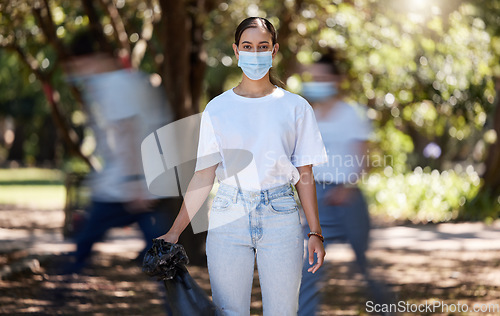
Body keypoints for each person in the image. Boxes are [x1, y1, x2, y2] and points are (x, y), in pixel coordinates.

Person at [157, 17, 328, 315]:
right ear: (236, 52)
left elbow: (304, 174)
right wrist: (174, 231)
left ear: (274, 51)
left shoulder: (296, 107)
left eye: (263, 47)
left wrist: (315, 232)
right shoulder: (217, 108)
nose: (255, 53)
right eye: (247, 47)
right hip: (228, 214)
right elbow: (203, 175)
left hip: (282, 215)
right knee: (228, 312)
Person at [62, 30, 176, 273]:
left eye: (79, 65)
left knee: (82, 246)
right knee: (162, 257)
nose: (78, 72)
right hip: (146, 184)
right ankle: (186, 307)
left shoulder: (111, 85)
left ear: (93, 59)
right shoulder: (129, 80)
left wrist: (134, 183)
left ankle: (55, 300)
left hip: (125, 189)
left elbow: (128, 133)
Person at [298, 55, 392, 315]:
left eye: (323, 78)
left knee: (364, 264)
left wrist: (347, 187)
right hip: (318, 198)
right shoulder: (308, 115)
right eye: (314, 79)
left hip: (348, 199)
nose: (317, 83)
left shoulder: (352, 113)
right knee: (311, 269)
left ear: (337, 80)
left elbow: (364, 158)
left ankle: (387, 310)